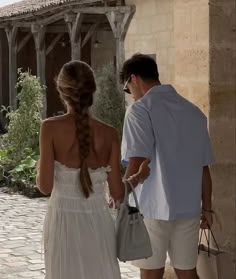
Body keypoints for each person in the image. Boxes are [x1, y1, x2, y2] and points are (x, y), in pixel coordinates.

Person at [36, 60, 150, 279]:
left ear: (61, 90)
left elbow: (44, 186)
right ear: (92, 91)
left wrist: (40, 166)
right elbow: (117, 194)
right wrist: (139, 177)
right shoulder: (109, 134)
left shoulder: (49, 128)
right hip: (98, 223)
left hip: (63, 223)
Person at [120, 54, 214, 279]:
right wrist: (207, 208)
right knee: (188, 272)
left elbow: (136, 160)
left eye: (127, 88)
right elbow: (204, 167)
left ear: (133, 79)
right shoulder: (194, 112)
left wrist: (120, 195)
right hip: (188, 206)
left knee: (151, 273)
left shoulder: (140, 110)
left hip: (152, 205)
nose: (129, 94)